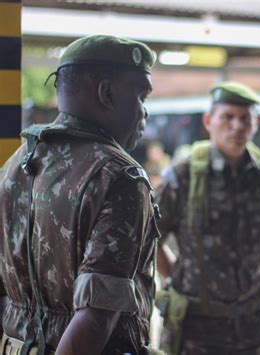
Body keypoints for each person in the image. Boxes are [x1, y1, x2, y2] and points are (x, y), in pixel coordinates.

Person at [0, 35, 161, 354]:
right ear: (107, 93)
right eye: (141, 97)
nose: (144, 113)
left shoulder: (16, 164)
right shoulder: (119, 176)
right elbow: (96, 317)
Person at [154, 81, 260, 354]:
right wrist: (173, 274)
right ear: (209, 121)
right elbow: (151, 235)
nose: (237, 127)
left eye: (245, 119)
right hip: (198, 329)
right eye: (228, 117)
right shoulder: (184, 175)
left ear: (255, 124)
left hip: (253, 325)